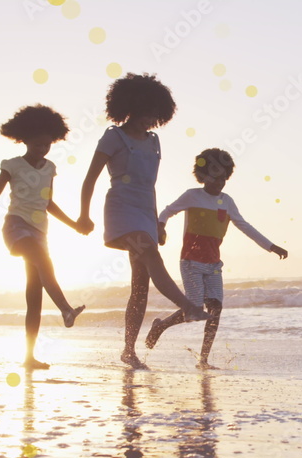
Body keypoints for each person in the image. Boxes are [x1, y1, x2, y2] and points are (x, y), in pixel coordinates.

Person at [76, 73, 209, 370]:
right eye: (146, 112)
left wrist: (158, 222)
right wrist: (84, 214)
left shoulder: (154, 141)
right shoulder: (114, 136)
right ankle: (187, 306)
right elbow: (90, 179)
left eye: (155, 115)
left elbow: (150, 185)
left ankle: (128, 350)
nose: (150, 120)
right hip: (122, 212)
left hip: (145, 213)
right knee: (150, 254)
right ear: (132, 107)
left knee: (141, 286)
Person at [0, 104, 86, 370]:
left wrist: (73, 224)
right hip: (16, 226)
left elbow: (49, 203)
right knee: (43, 262)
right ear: (24, 140)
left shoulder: (50, 169)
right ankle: (66, 309)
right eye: (38, 144)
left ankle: (28, 357)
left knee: (34, 297)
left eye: (47, 145)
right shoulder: (11, 165)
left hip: (40, 231)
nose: (43, 149)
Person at [145, 148, 288, 370]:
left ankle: (203, 360)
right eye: (215, 175)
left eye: (224, 177)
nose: (220, 181)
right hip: (191, 261)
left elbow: (245, 226)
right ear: (203, 175)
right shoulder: (192, 195)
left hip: (213, 264)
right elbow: (167, 211)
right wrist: (160, 226)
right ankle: (161, 326)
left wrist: (270, 246)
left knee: (216, 308)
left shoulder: (227, 202)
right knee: (193, 308)